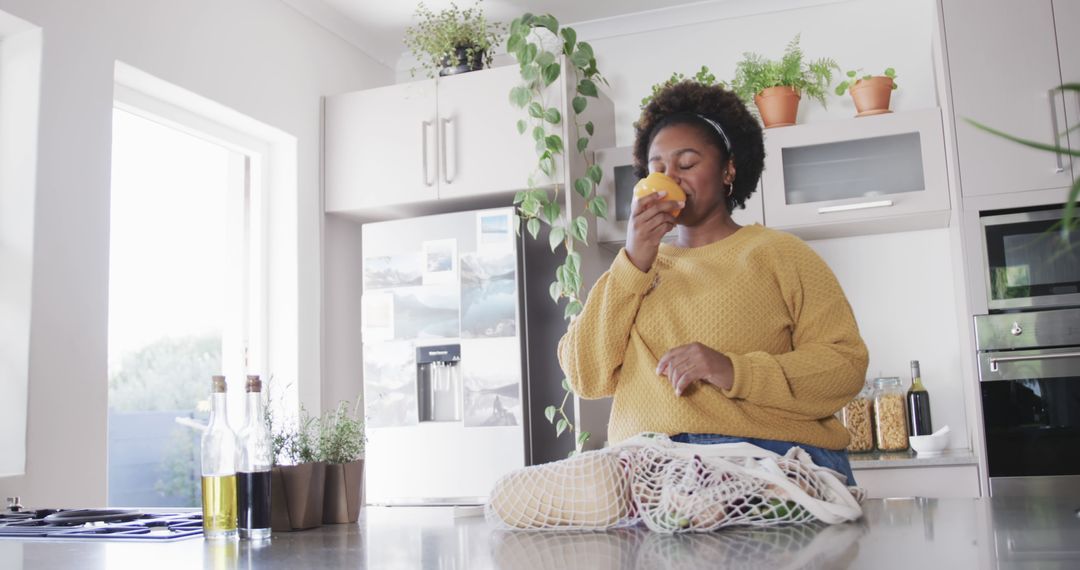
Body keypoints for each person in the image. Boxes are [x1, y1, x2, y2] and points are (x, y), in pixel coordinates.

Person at [557, 81, 869, 484]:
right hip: (650, 476)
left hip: (762, 463)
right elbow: (585, 376)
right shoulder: (633, 271)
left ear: (728, 170)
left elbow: (844, 368)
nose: (670, 177)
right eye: (657, 169)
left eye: (686, 164)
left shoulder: (778, 254)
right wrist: (634, 260)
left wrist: (732, 370)